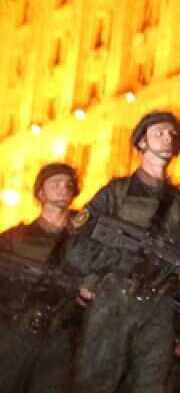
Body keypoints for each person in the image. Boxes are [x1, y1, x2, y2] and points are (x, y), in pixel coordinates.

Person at [66, 110, 180, 393]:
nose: (167, 139)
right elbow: (78, 246)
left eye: (171, 134)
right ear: (141, 143)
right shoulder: (116, 192)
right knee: (96, 381)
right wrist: (119, 261)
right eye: (159, 133)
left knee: (151, 384)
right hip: (115, 297)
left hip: (159, 306)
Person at [0, 163, 82, 393]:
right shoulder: (15, 239)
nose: (63, 188)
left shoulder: (84, 242)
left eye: (68, 184)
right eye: (55, 183)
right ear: (40, 193)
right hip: (16, 331)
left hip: (61, 337)